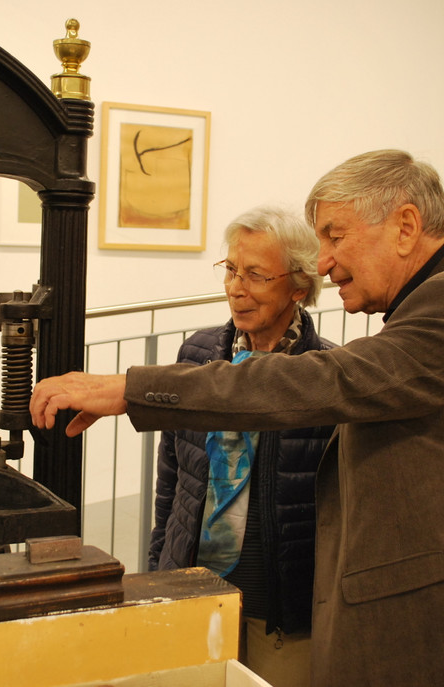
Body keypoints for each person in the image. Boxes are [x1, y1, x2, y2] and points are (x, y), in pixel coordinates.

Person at [31, 149, 444, 687]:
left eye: (335, 236)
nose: (324, 260)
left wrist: (130, 389)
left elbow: (316, 379)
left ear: (405, 226)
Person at [149, 205, 335, 687]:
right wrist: (158, 573)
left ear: (299, 286)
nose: (236, 287)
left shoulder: (326, 374)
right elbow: (173, 478)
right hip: (196, 594)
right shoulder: (197, 354)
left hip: (283, 612)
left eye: (255, 275)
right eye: (231, 269)